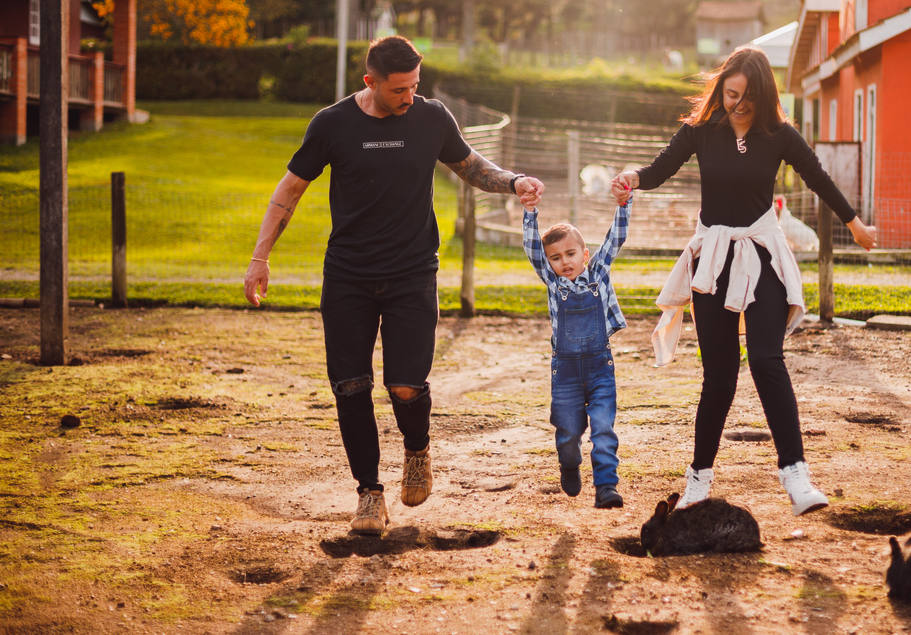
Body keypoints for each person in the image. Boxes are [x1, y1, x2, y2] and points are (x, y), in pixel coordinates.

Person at [243, 35, 544, 536]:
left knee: (405, 385)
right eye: (399, 90)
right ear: (370, 82)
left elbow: (470, 166)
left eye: (414, 87)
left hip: (411, 272)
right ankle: (368, 495)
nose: (409, 97)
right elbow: (289, 191)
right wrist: (260, 257)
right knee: (350, 386)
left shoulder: (431, 117)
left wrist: (513, 182)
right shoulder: (332, 124)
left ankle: (417, 450)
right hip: (348, 276)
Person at [611, 46, 877, 516]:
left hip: (761, 256)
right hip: (713, 259)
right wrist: (631, 176)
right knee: (720, 377)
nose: (736, 105)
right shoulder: (700, 132)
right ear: (721, 89)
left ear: (763, 95)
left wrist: (853, 222)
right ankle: (698, 481)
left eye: (746, 97)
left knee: (767, 361)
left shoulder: (778, 135)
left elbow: (817, 177)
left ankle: (796, 478)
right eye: (730, 94)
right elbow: (658, 169)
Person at [521, 195, 631, 509]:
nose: (565, 262)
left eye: (571, 254)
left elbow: (616, 237)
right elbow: (532, 250)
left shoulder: (598, 272)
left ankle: (606, 486)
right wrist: (531, 212)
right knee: (568, 431)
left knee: (603, 427)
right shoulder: (555, 284)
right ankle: (569, 463)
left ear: (585, 254)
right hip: (566, 372)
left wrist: (624, 204)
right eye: (555, 258)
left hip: (599, 367)